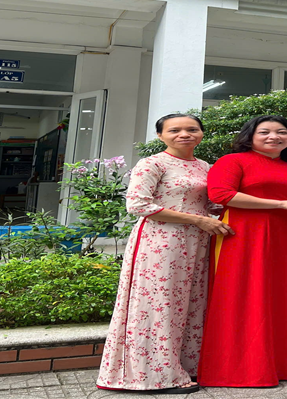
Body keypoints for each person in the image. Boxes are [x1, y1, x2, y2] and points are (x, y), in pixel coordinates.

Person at [96, 114, 233, 395]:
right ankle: (152, 376)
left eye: (192, 129)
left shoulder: (205, 166)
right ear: (160, 136)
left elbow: (210, 203)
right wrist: (198, 220)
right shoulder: (152, 163)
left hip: (197, 241)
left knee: (192, 302)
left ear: (202, 133)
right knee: (159, 304)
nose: (185, 134)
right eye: (175, 130)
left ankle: (188, 365)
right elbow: (138, 205)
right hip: (160, 241)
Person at [197, 115, 287, 387]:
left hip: (286, 239)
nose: (273, 137)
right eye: (264, 132)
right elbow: (221, 195)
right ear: (250, 136)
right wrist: (280, 204)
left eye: (281, 132)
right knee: (241, 295)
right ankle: (235, 370)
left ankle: (284, 366)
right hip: (241, 235)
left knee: (283, 296)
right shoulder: (232, 161)